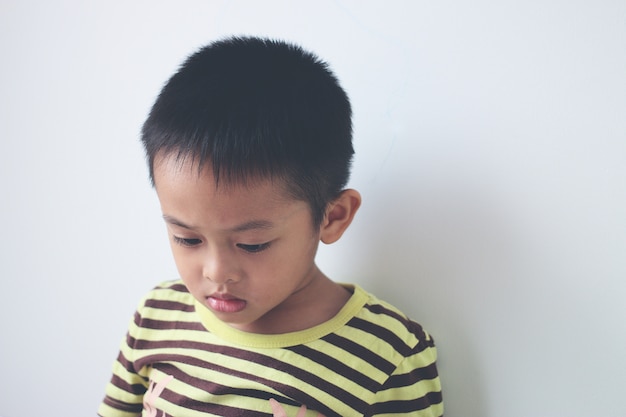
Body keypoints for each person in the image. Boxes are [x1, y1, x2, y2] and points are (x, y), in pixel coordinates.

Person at [98, 36, 443, 417]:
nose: (217, 272)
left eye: (252, 244)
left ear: (333, 217)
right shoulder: (157, 316)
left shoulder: (387, 353)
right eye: (187, 238)